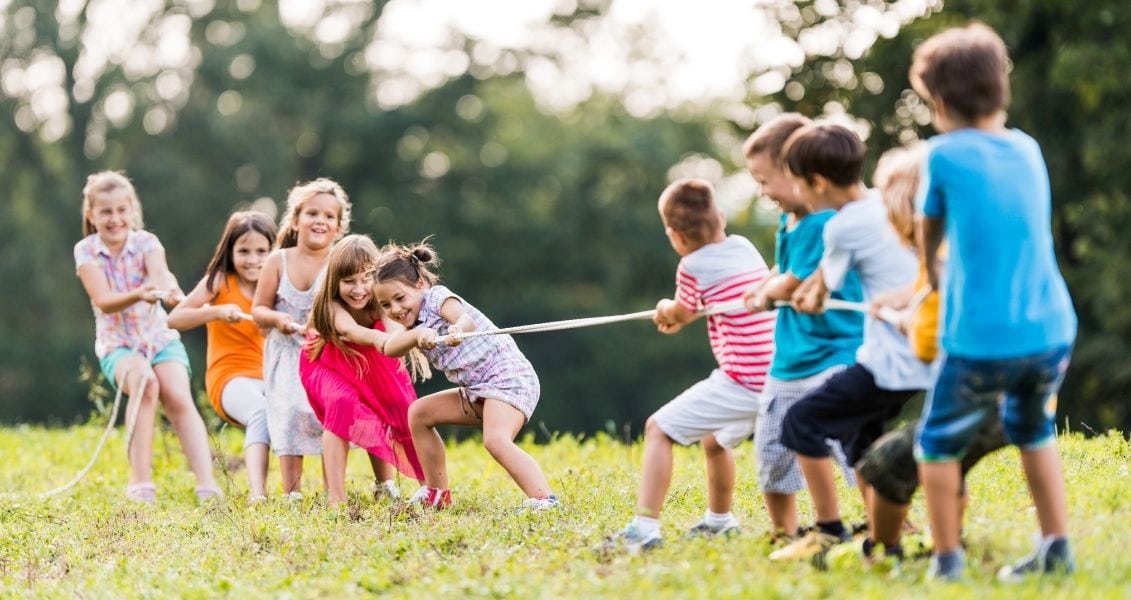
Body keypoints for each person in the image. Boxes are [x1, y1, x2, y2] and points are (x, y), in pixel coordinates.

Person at [910, 23, 1077, 582]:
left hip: (982, 338)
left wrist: (931, 269)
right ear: (999, 88)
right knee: (1032, 428)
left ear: (937, 100)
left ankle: (947, 562)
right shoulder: (1027, 148)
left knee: (935, 443)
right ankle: (1057, 548)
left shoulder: (941, 155)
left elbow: (927, 226)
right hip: (1051, 328)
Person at [768, 124, 934, 562]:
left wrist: (806, 297)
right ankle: (888, 541)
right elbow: (822, 281)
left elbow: (819, 290)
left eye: (799, 184)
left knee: (800, 422)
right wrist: (811, 292)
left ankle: (827, 529)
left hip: (891, 364)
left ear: (817, 183)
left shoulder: (842, 227)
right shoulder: (882, 204)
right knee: (861, 441)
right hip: (919, 356)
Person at [853, 143, 1010, 567]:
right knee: (949, 468)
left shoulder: (939, 259)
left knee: (881, 467)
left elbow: (926, 343)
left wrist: (901, 321)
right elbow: (925, 290)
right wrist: (898, 301)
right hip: (1010, 399)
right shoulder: (958, 250)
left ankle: (883, 552)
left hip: (976, 401)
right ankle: (950, 540)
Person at [603, 178, 777, 552]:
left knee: (658, 429)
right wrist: (684, 314)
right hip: (775, 377)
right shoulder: (744, 248)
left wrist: (667, 310)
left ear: (675, 235)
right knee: (713, 439)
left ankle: (644, 529)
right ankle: (719, 521)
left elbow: (682, 311)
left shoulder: (692, 265)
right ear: (722, 217)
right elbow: (717, 301)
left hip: (743, 379)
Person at [741, 114, 865, 545]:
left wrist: (766, 294)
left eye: (766, 181)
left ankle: (868, 519)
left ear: (799, 174)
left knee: (852, 448)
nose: (763, 192)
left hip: (833, 352)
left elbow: (796, 280)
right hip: (790, 358)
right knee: (773, 449)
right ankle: (785, 531)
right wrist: (762, 285)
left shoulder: (820, 224)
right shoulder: (789, 221)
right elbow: (784, 269)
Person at [372, 240, 557, 511]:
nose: (395, 310)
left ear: (420, 284)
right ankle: (437, 494)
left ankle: (545, 500)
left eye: (400, 298)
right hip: (476, 390)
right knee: (419, 413)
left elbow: (464, 319)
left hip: (507, 380)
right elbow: (390, 348)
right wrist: (418, 334)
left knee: (495, 441)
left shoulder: (437, 298)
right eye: (386, 305)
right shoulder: (412, 326)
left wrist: (457, 329)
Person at [74, 171, 221, 503]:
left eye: (121, 210)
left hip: (159, 338)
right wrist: (140, 293)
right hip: (118, 345)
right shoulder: (86, 252)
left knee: (178, 396)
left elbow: (161, 274)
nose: (115, 219)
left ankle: (207, 483)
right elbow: (103, 300)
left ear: (131, 210)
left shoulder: (147, 243)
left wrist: (170, 292)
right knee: (144, 384)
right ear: (91, 214)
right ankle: (140, 484)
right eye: (106, 212)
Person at [299, 234, 428, 507]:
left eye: (364, 279)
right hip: (327, 362)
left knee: (400, 409)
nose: (358, 289)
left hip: (371, 360)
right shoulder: (331, 305)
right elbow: (351, 330)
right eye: (348, 281)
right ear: (335, 281)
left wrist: (407, 337)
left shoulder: (380, 302)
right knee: (342, 404)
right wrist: (381, 339)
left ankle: (420, 487)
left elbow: (394, 329)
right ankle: (335, 497)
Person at [167, 210, 277, 502]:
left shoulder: (276, 288)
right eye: (244, 251)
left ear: (272, 252)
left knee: (294, 411)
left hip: (268, 377)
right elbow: (175, 319)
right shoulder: (220, 282)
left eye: (261, 251)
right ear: (231, 251)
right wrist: (215, 312)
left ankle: (295, 492)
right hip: (228, 378)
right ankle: (258, 494)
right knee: (262, 413)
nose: (253, 259)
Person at [252, 178, 350, 499]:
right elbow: (259, 310)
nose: (320, 221)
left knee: (327, 417)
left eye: (329, 216)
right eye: (312, 213)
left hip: (325, 353)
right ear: (295, 220)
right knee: (288, 413)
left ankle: (329, 486)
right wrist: (277, 319)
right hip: (285, 352)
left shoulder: (338, 263)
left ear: (338, 228)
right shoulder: (277, 261)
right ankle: (292, 491)